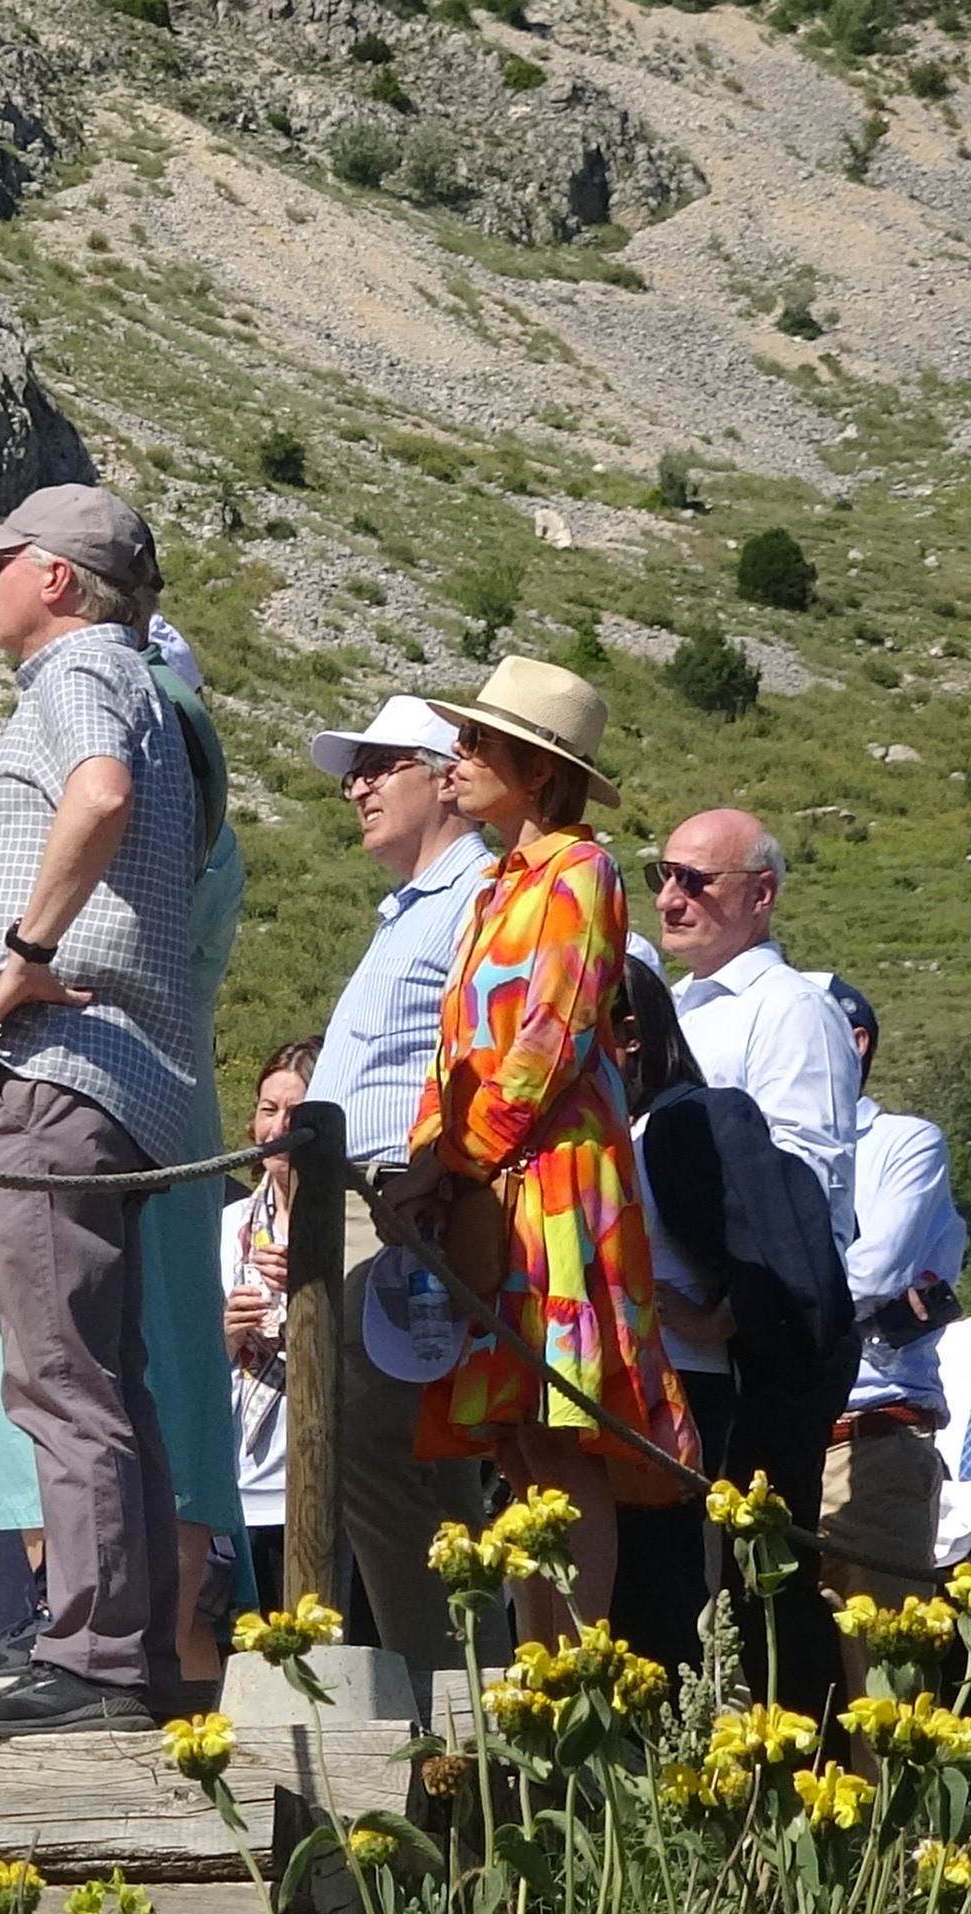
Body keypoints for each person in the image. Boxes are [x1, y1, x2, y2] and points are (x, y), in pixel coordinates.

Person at [0, 486, 206, 1737]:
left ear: (62, 583)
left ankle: (89, 1660)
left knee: (60, 1378)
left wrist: (25, 950)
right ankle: (113, 1650)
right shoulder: (136, 682)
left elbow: (97, 796)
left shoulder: (81, 670)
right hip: (99, 1082)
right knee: (102, 1376)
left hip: (47, 1075)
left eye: (3, 562)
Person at [382, 659, 692, 1642]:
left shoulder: (580, 873)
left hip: (555, 1185)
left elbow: (546, 1045)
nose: (458, 757)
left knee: (560, 1434)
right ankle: (538, 1664)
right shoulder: (495, 892)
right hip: (497, 1187)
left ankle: (575, 1663)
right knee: (519, 1441)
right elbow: (457, 1052)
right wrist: (432, 1158)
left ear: (539, 769)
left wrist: (452, 1161)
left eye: (478, 742)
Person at [295, 695, 497, 1678]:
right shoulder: (415, 910)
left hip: (401, 1209)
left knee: (398, 1458)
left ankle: (459, 1710)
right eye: (354, 771)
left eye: (381, 765)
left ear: (446, 773)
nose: (356, 786)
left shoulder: (480, 897)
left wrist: (438, 1175)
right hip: (352, 1208)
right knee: (360, 1459)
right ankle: (434, 1704)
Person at [617, 960, 846, 1682]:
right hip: (628, 1385)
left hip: (685, 1387)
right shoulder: (625, 1129)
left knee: (666, 1588)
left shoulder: (683, 1121)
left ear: (627, 1034)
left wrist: (715, 1317)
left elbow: (774, 1245)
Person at [818, 976, 954, 1621]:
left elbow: (873, 1271)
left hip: (868, 1442)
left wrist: (744, 1305)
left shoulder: (905, 1142)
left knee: (883, 1673)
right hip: (774, 1442)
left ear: (855, 1043)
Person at [659, 810, 860, 1243]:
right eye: (663, 877)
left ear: (761, 892)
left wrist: (722, 1313)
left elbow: (806, 1194)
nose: (667, 900)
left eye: (693, 880)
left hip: (734, 1305)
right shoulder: (672, 1005)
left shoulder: (793, 1010)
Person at [222, 1042, 319, 1605]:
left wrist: (310, 1294)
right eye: (267, 1109)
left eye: (295, 1112)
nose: (278, 1127)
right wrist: (228, 1331)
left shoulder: (352, 1229)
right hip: (241, 1479)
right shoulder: (232, 1223)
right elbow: (199, 1362)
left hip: (312, 1481)